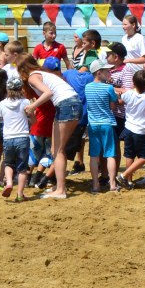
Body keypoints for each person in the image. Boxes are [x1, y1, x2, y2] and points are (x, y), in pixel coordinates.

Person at [24, 55, 85, 199]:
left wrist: (32, 106)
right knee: (55, 149)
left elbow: (48, 93)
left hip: (66, 105)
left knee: (58, 150)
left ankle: (60, 190)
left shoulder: (33, 76)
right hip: (71, 104)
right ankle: (59, 187)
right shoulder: (47, 75)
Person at [85, 60, 121, 194]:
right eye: (106, 71)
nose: (109, 72)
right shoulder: (109, 88)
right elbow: (112, 106)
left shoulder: (87, 87)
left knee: (94, 156)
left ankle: (95, 185)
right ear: (99, 73)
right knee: (110, 154)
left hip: (93, 124)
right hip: (107, 123)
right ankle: (112, 184)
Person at [0, 77, 33, 203]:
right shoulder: (25, 102)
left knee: (8, 164)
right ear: (21, 88)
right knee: (23, 168)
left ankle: (8, 183)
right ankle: (19, 194)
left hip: (8, 138)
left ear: (7, 89)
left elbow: (3, 118)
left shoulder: (2, 103)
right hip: (22, 137)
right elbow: (32, 120)